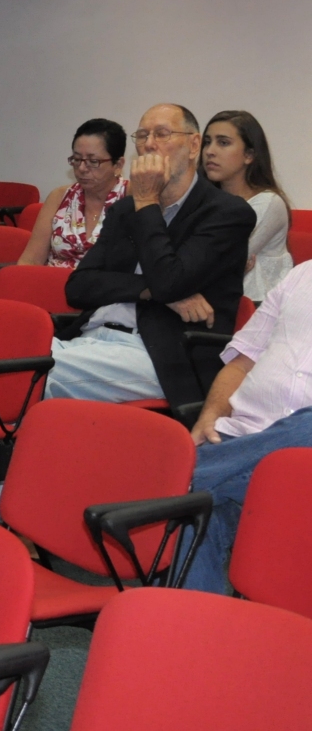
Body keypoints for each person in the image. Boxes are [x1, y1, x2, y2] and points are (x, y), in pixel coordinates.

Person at [48, 104, 256, 408]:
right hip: (90, 338)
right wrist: (147, 290)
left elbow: (170, 282)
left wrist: (146, 200)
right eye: (142, 136)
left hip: (159, 354)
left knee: (30, 371)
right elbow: (79, 286)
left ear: (193, 145)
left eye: (162, 134)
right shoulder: (123, 210)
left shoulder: (226, 214)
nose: (149, 144)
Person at [181, 261, 312, 594]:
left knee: (308, 423)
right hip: (241, 439)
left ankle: (180, 473)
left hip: (303, 453)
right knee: (192, 514)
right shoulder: (302, 274)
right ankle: (194, 638)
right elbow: (241, 361)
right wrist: (210, 413)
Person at [202, 110, 292, 303]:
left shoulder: (268, 203)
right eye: (207, 142)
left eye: (223, 142)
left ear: (249, 155)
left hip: (257, 311)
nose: (210, 151)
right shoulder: (201, 202)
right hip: (211, 306)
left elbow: (215, 262)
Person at [18, 118, 129, 269]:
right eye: (77, 159)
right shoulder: (59, 196)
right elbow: (30, 261)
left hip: (106, 289)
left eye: (93, 161)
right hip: (52, 286)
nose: (82, 168)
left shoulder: (133, 197)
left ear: (118, 164)